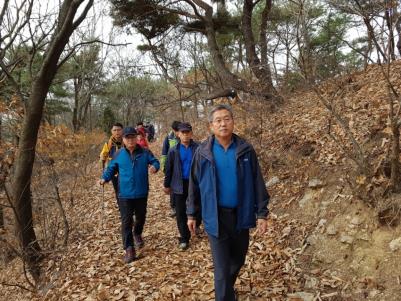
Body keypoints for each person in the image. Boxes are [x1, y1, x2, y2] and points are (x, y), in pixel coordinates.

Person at [187, 104, 270, 301]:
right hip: (215, 216)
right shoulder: (203, 153)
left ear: (233, 122)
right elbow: (193, 184)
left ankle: (226, 289)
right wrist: (191, 213)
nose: (223, 124)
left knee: (238, 259)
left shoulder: (245, 150)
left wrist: (262, 213)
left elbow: (257, 181)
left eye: (227, 119)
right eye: (218, 120)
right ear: (211, 126)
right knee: (222, 268)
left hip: (241, 214)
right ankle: (224, 294)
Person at [99, 127, 160, 263]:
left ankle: (137, 233)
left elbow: (155, 161)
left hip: (141, 192)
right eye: (127, 138)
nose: (130, 140)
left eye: (133, 137)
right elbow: (111, 168)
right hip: (124, 194)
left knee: (141, 217)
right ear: (124, 140)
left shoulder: (145, 152)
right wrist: (105, 178)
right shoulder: (119, 154)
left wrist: (154, 167)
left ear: (137, 138)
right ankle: (129, 248)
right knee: (126, 222)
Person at [163, 122, 201, 250]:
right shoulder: (174, 150)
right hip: (179, 184)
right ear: (178, 134)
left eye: (187, 132)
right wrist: (166, 185)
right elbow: (168, 168)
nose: (185, 135)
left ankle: (196, 224)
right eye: (182, 133)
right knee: (180, 212)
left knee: (197, 207)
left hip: (195, 183)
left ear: (191, 133)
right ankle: (184, 238)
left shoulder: (198, 148)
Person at [161, 120, 181, 217]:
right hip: (171, 166)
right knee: (172, 187)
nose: (178, 133)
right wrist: (163, 166)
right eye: (176, 131)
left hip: (181, 165)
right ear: (173, 130)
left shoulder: (183, 135)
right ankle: (173, 207)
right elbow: (164, 153)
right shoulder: (168, 138)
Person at [99, 122, 124, 203]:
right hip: (114, 171)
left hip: (126, 169)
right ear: (111, 131)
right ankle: (122, 209)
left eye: (119, 130)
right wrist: (102, 158)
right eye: (115, 130)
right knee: (117, 190)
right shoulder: (108, 143)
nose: (117, 132)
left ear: (122, 130)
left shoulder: (127, 141)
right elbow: (103, 155)